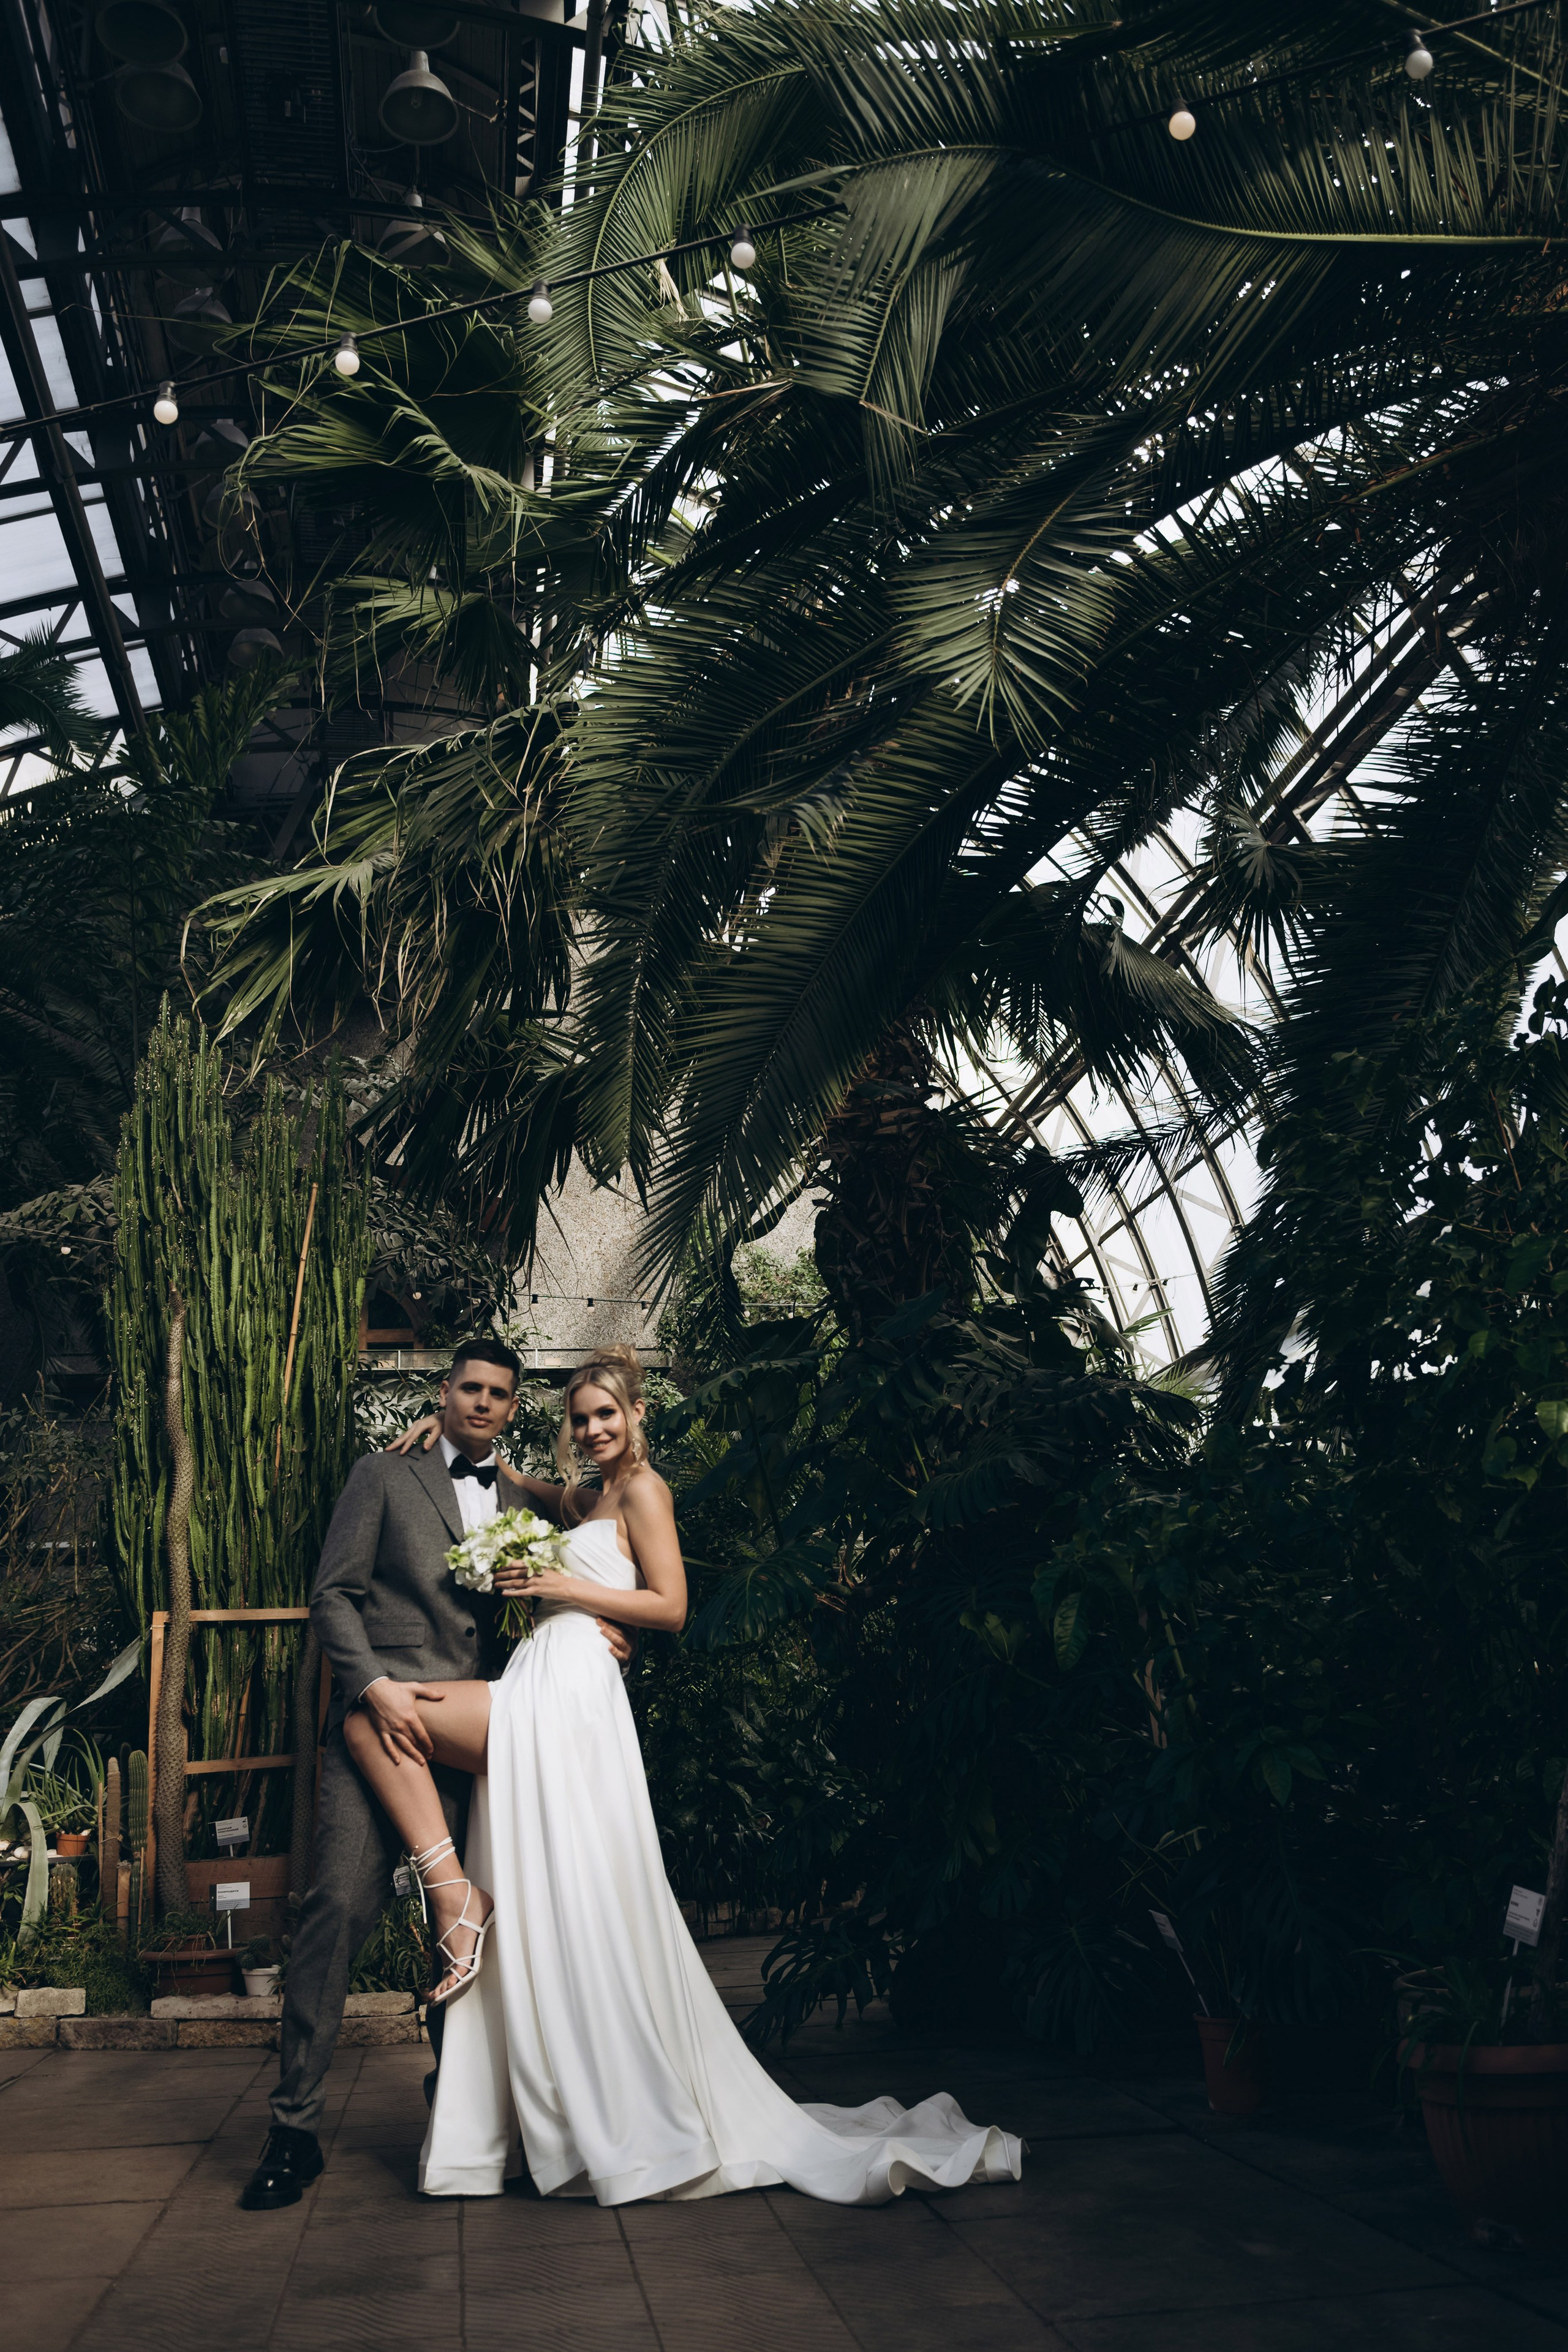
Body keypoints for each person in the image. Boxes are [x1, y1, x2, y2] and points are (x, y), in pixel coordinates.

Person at [355, 1342, 1022, 2207]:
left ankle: (457, 1903)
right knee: (443, 1769)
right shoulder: (589, 1495)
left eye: (608, 1414)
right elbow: (511, 1480)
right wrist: (438, 1431)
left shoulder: (644, 1490)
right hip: (542, 1678)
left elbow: (668, 1607)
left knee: (385, 1712)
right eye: (581, 1417)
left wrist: (564, 1585)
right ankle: (466, 1911)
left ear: (637, 1416)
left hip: (575, 1693)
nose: (594, 1428)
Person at [239, 1336, 632, 2212]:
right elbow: (333, 1595)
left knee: (476, 1937)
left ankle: (464, 2114)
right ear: (443, 1392)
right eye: (469, 1389)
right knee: (336, 1910)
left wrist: (600, 1630)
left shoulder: (534, 1493)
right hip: (379, 1729)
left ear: (514, 1409)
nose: (483, 1404)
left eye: (499, 1393)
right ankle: (292, 2130)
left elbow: (606, 1560)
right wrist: (373, 1688)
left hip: (479, 1740)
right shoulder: (382, 1476)